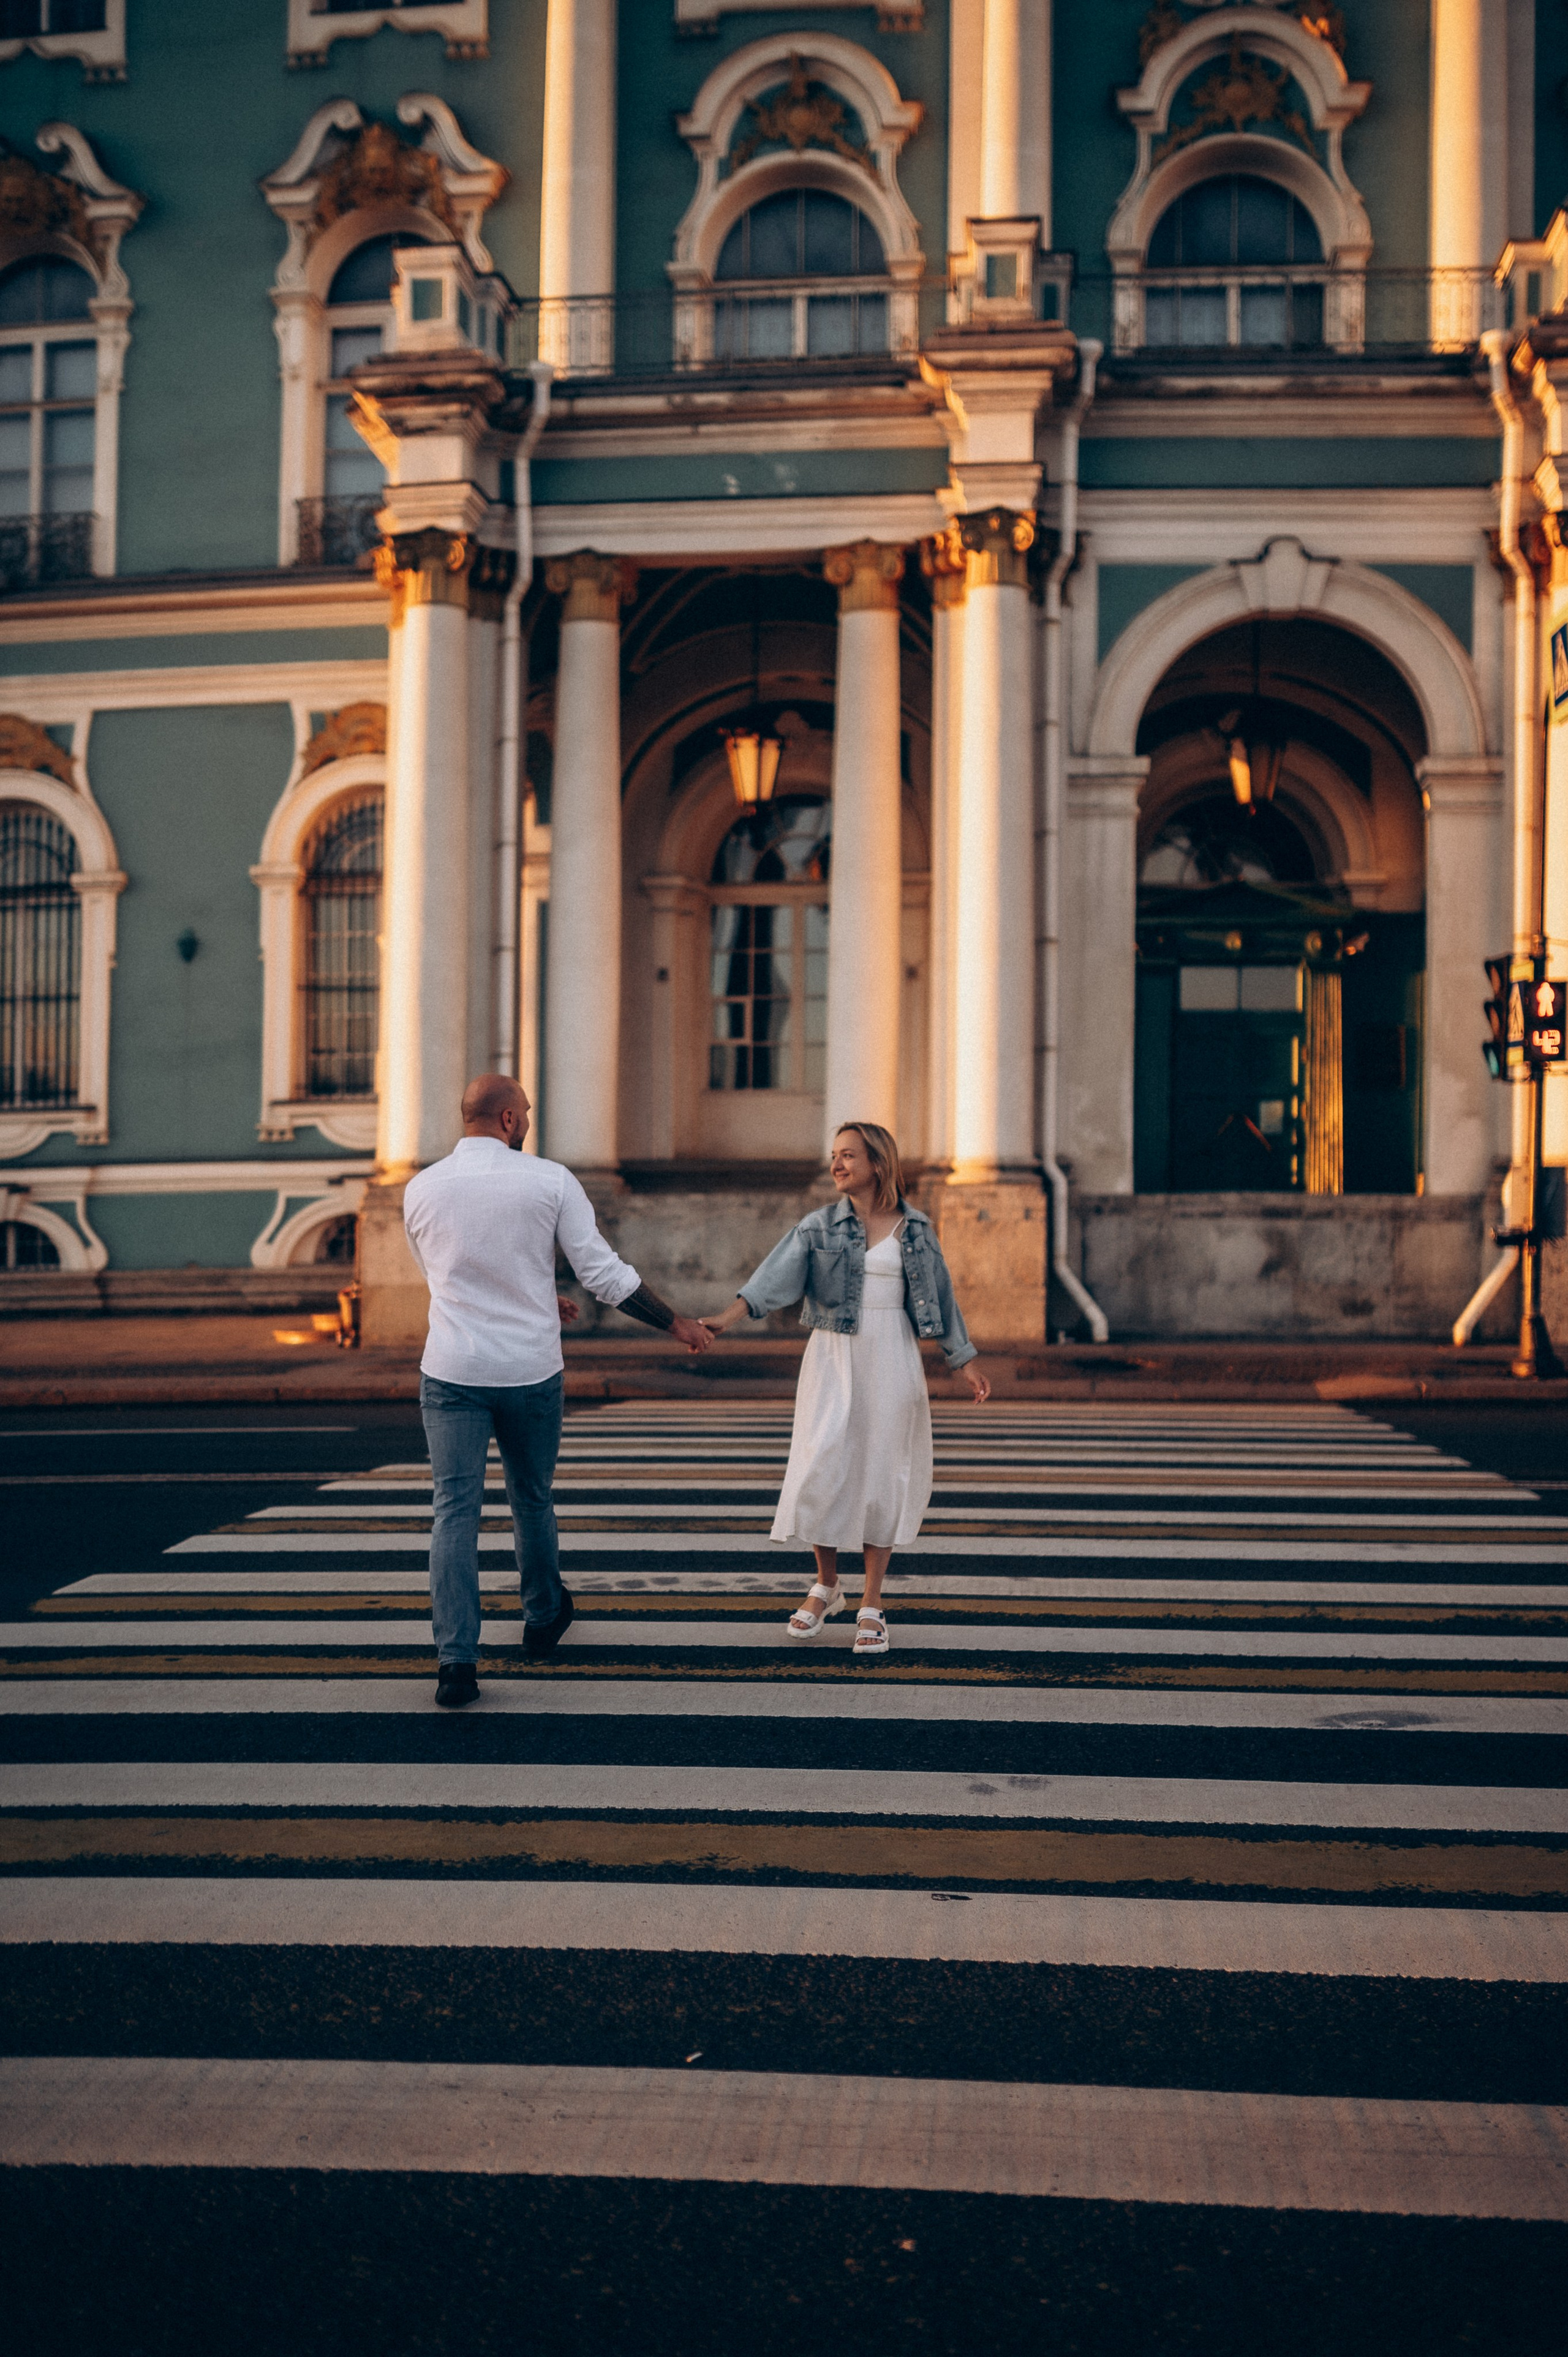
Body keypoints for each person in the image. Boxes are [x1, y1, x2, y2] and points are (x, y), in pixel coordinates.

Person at [403, 1073, 712, 1707]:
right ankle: (543, 1615)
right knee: (531, 1497)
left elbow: (448, 1273)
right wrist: (675, 1320)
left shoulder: (420, 1188)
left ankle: (456, 1661)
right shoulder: (548, 1180)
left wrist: (534, 1293)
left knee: (453, 1512)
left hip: (453, 1370)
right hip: (529, 1372)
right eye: (528, 1113)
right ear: (512, 1119)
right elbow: (602, 1272)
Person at [702, 1121, 988, 1656]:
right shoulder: (818, 1228)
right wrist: (727, 1317)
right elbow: (773, 1280)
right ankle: (826, 1584)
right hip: (833, 1354)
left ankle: (872, 1603)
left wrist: (963, 1361)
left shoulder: (916, 1229)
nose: (837, 1164)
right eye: (834, 1155)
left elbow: (942, 1300)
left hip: (892, 1356)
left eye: (849, 1156)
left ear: (879, 1163)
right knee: (823, 1467)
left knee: (884, 1472)